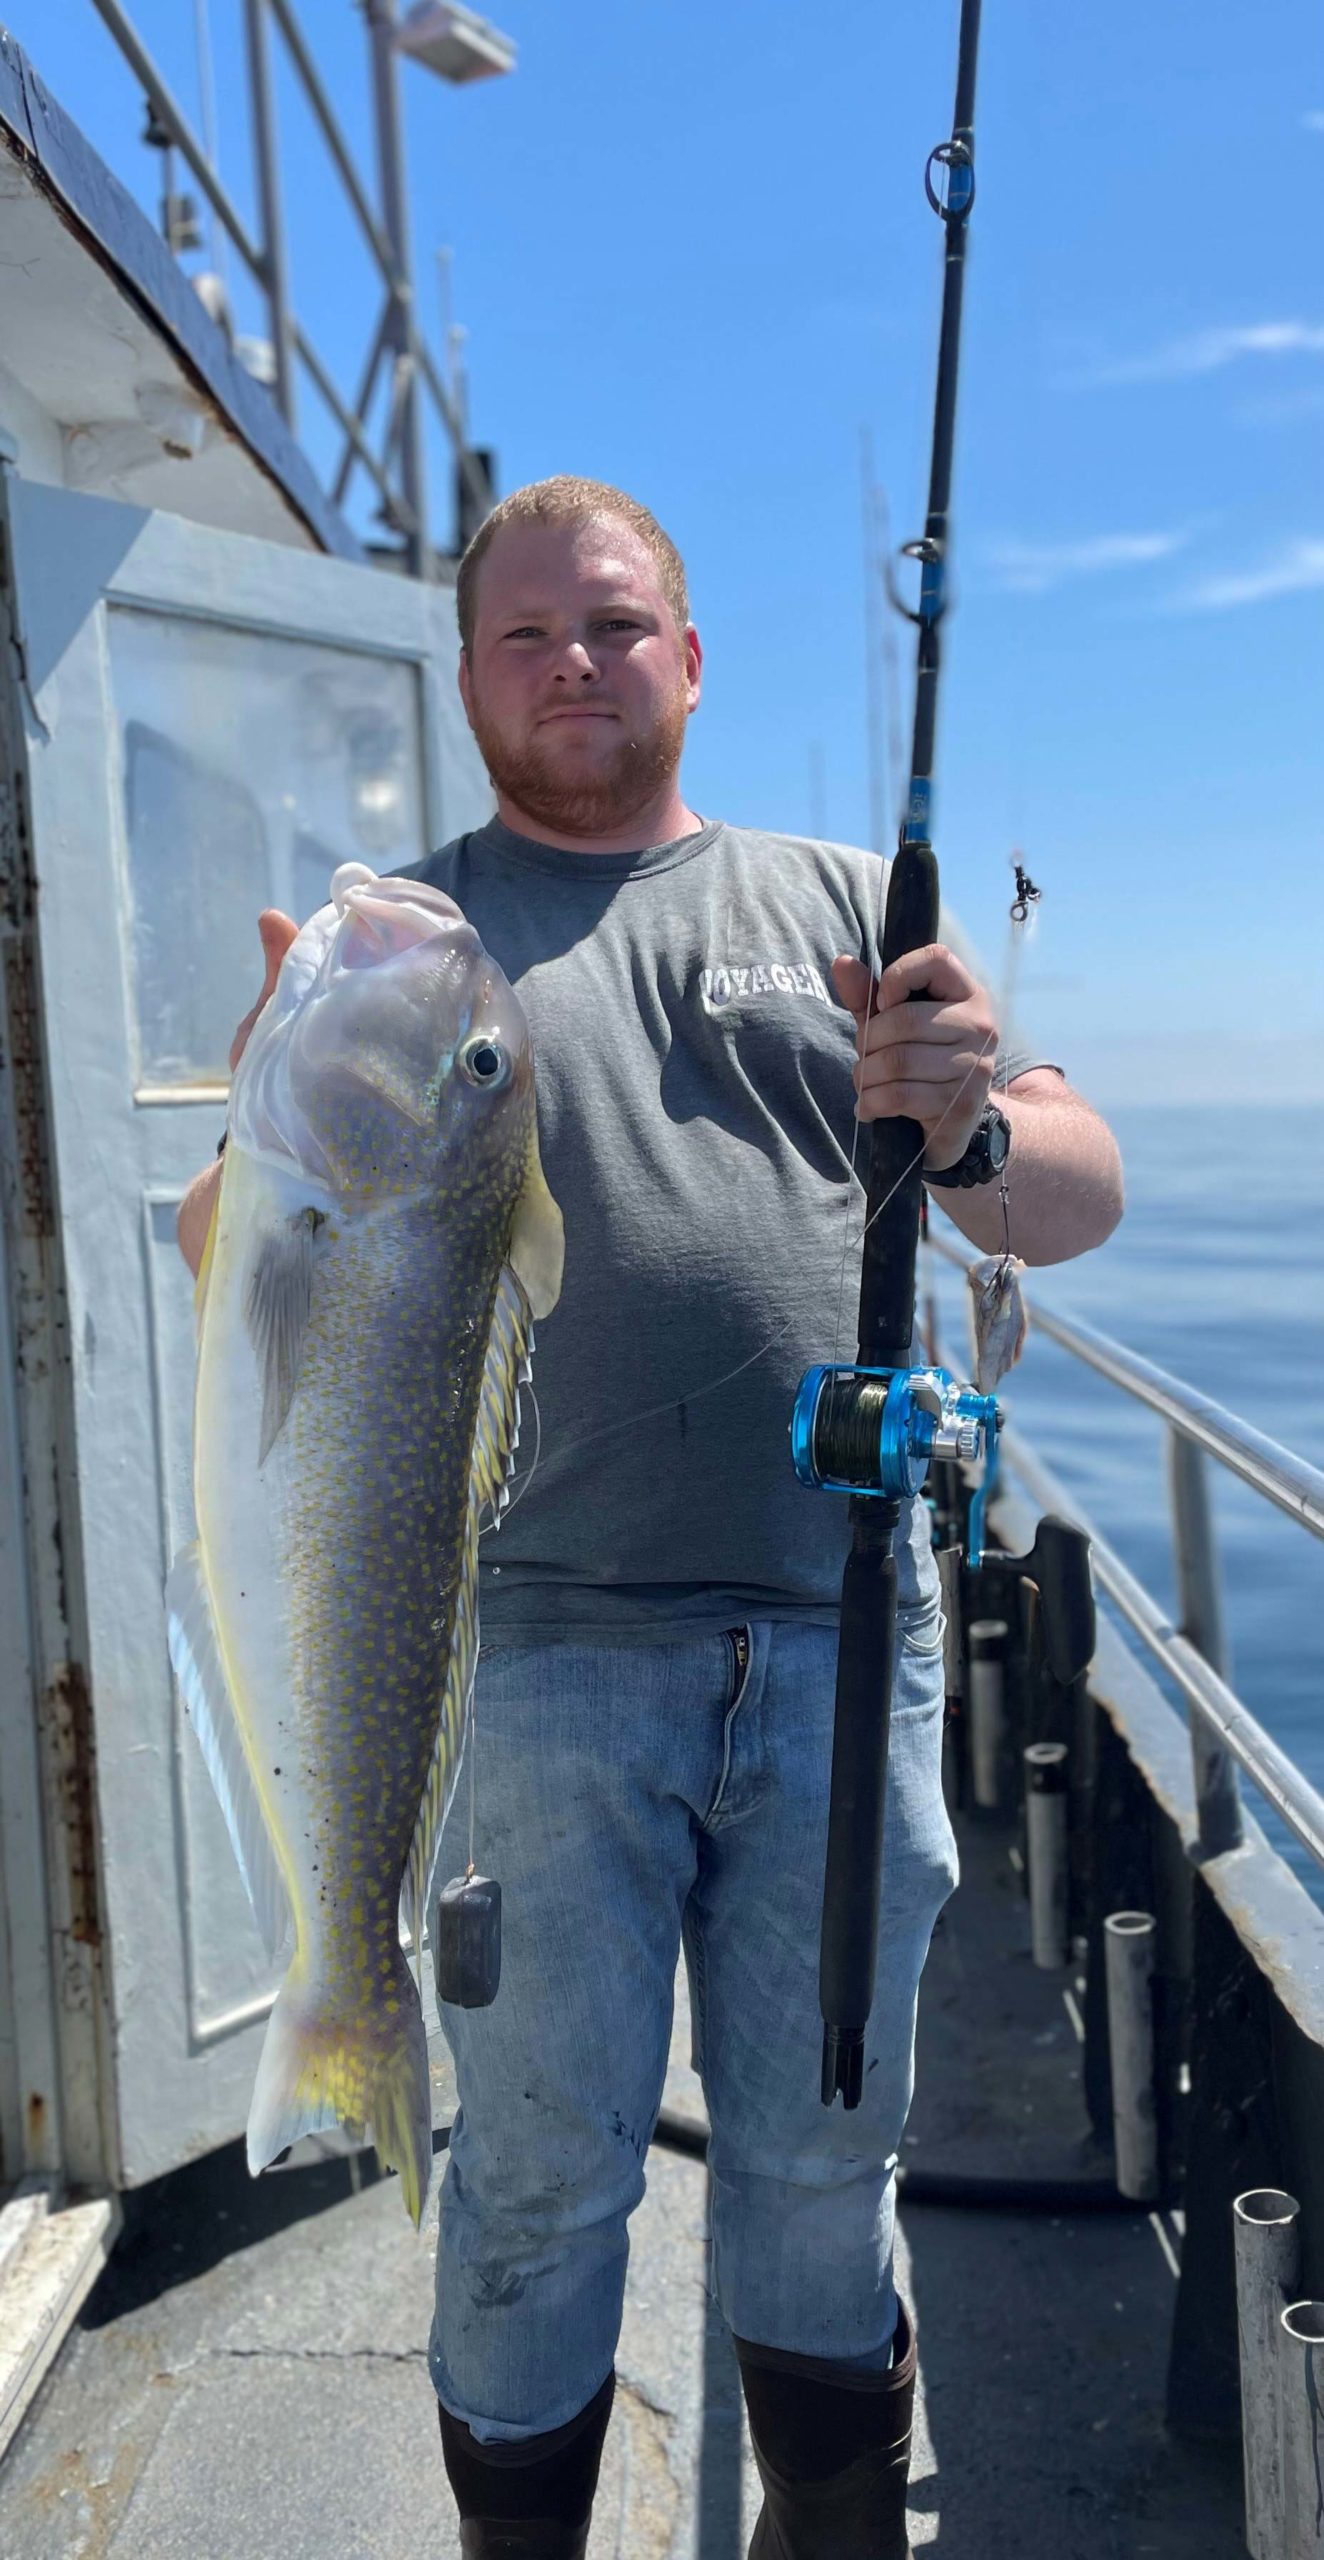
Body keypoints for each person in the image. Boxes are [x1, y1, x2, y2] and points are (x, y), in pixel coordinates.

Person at [178, 476, 1123, 2559]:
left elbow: (1072, 1190)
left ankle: (835, 2527)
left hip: (836, 1635)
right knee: (532, 2179)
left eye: (612, 623)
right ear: (467, 678)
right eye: (525, 634)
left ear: (687, 659)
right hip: (530, 1659)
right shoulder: (407, 941)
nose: (572, 663)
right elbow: (224, 1263)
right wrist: (272, 1126)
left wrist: (969, 1116)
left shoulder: (832, 901)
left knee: (818, 2160)